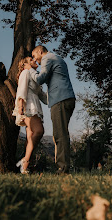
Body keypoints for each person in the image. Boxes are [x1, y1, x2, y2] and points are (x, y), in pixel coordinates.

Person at [24, 45, 75, 174]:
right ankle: (63, 166)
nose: (36, 60)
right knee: (61, 133)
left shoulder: (47, 58)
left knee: (60, 134)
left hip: (60, 100)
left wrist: (30, 69)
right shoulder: (57, 58)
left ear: (40, 52)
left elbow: (40, 79)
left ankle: (62, 168)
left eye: (35, 56)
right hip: (67, 98)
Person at [13, 57, 48, 174]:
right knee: (39, 131)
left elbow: (42, 95)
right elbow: (21, 90)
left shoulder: (34, 75)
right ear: (25, 64)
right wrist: (21, 106)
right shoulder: (26, 72)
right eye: (31, 59)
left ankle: (26, 166)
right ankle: (25, 160)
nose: (34, 60)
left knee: (30, 137)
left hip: (35, 104)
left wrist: (55, 95)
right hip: (28, 105)